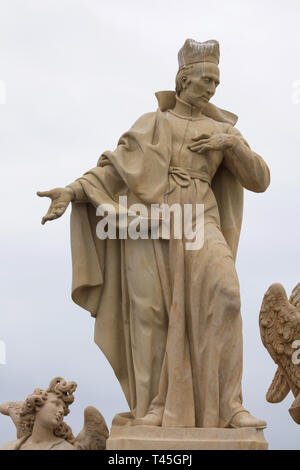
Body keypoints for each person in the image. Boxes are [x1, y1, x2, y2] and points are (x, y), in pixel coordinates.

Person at [37, 39, 270, 429]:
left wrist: (230, 143)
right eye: (205, 79)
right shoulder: (153, 123)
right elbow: (113, 172)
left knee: (226, 295)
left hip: (199, 218)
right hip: (149, 223)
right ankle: (156, 406)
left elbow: (259, 179)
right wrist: (72, 191)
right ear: (183, 78)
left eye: (216, 81)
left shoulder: (222, 129)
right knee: (151, 314)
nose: (212, 88)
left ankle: (230, 406)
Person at [1, 377, 76, 450]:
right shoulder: (8, 447)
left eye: (63, 408)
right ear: (37, 404)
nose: (61, 411)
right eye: (56, 404)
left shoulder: (66, 448)